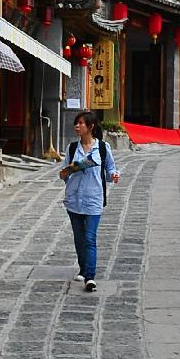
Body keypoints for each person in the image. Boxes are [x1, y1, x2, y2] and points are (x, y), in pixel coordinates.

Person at [59, 111, 119, 292]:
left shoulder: (102, 148)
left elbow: (110, 168)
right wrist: (68, 171)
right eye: (76, 123)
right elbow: (63, 173)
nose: (77, 126)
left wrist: (114, 175)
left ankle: (90, 277)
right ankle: (83, 268)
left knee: (89, 237)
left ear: (90, 127)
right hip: (74, 199)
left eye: (81, 123)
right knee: (79, 238)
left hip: (93, 198)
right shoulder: (71, 148)